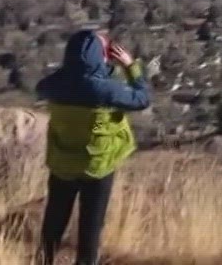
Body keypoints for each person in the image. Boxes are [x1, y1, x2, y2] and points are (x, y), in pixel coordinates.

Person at [36, 29, 151, 265]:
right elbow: (142, 99)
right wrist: (131, 67)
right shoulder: (105, 89)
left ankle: (43, 260)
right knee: (90, 227)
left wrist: (73, 68)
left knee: (54, 220)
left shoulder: (54, 85)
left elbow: (44, 85)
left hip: (62, 163)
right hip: (97, 166)